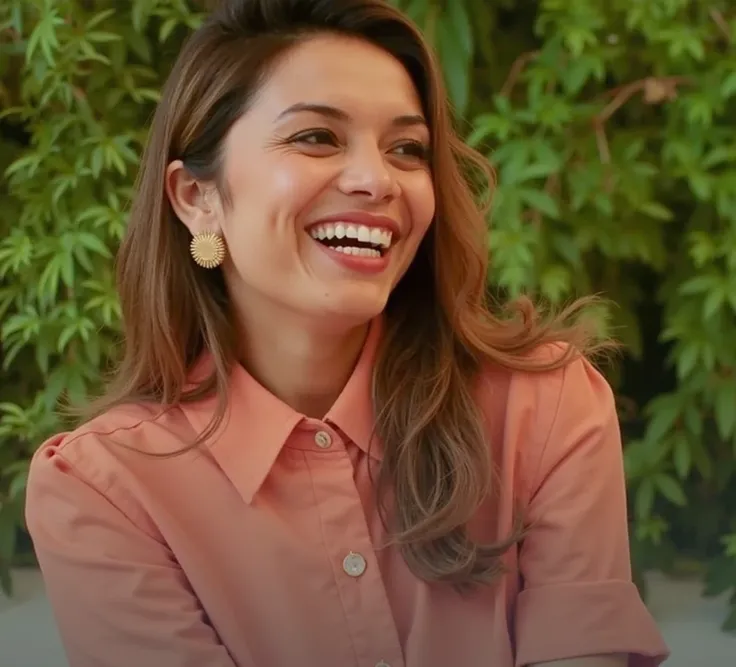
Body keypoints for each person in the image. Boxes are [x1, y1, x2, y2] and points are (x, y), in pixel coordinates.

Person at [24, 0, 670, 666]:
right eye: (316, 137)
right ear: (196, 197)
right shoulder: (104, 489)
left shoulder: (545, 406)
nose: (376, 180)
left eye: (406, 149)